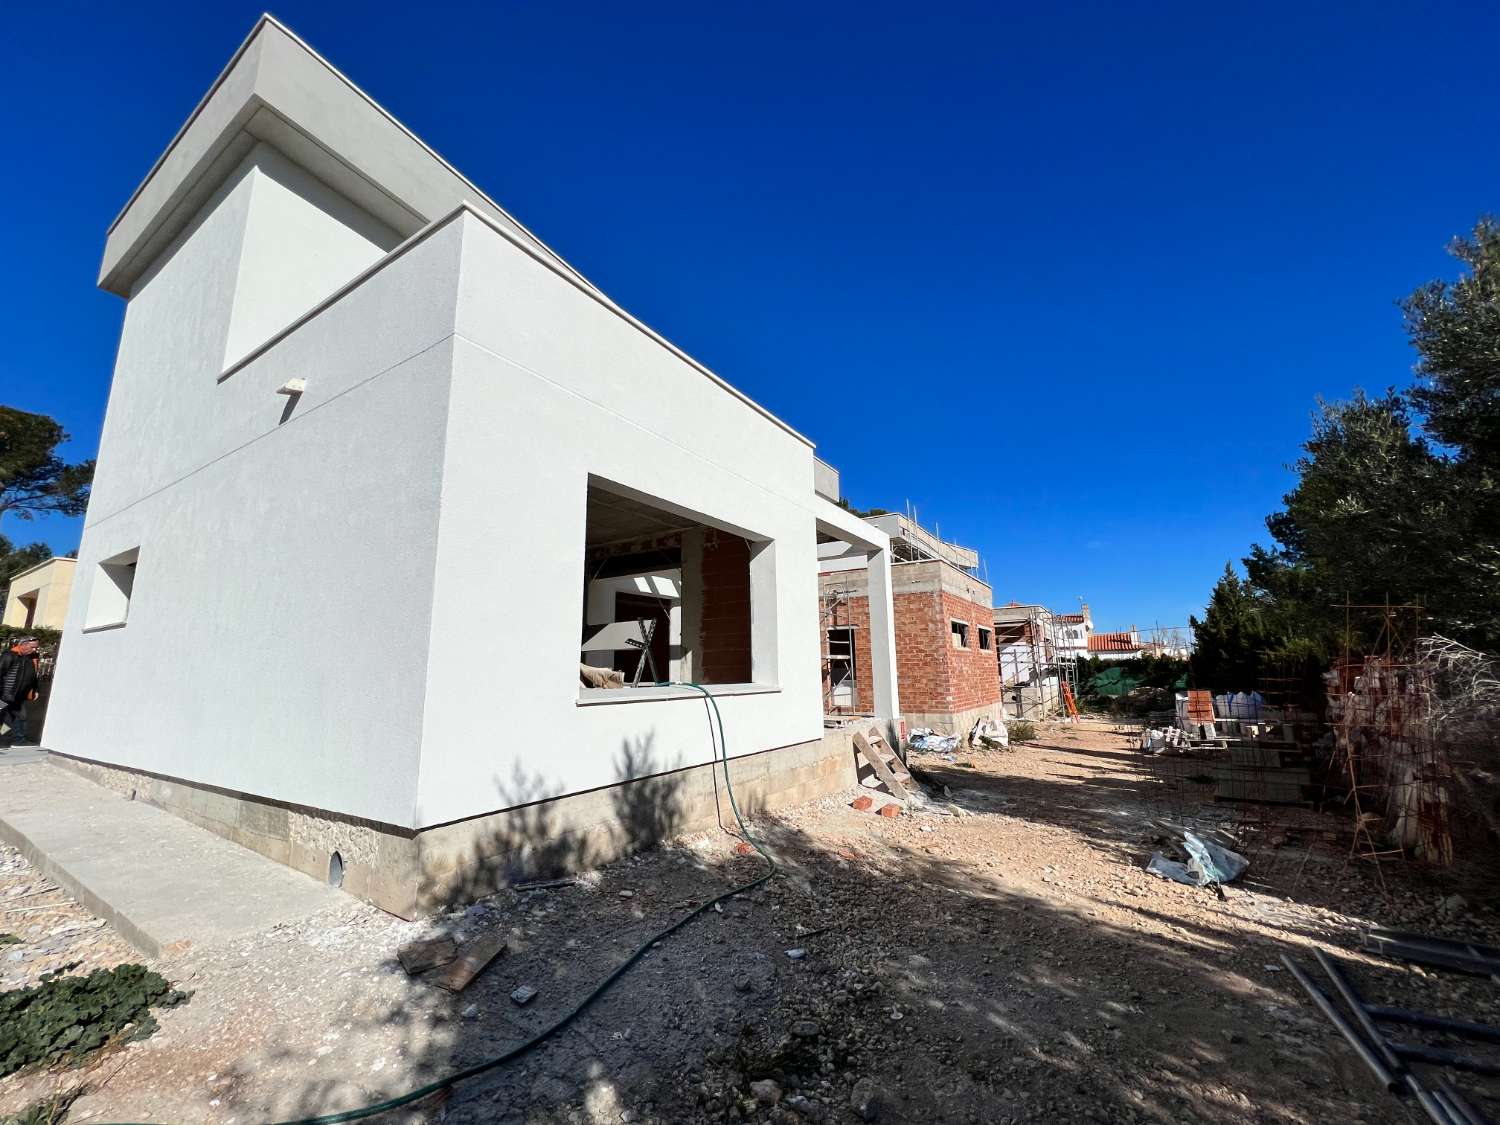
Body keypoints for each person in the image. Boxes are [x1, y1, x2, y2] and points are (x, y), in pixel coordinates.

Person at [0, 636, 41, 747]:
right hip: (5, 695)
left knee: (19, 718)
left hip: (18, 697)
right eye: (33, 647)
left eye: (36, 648)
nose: (35, 650)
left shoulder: (30, 659)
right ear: (23, 644)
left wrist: (35, 690)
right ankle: (8, 739)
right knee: (4, 719)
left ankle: (16, 739)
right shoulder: (9, 656)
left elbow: (33, 677)